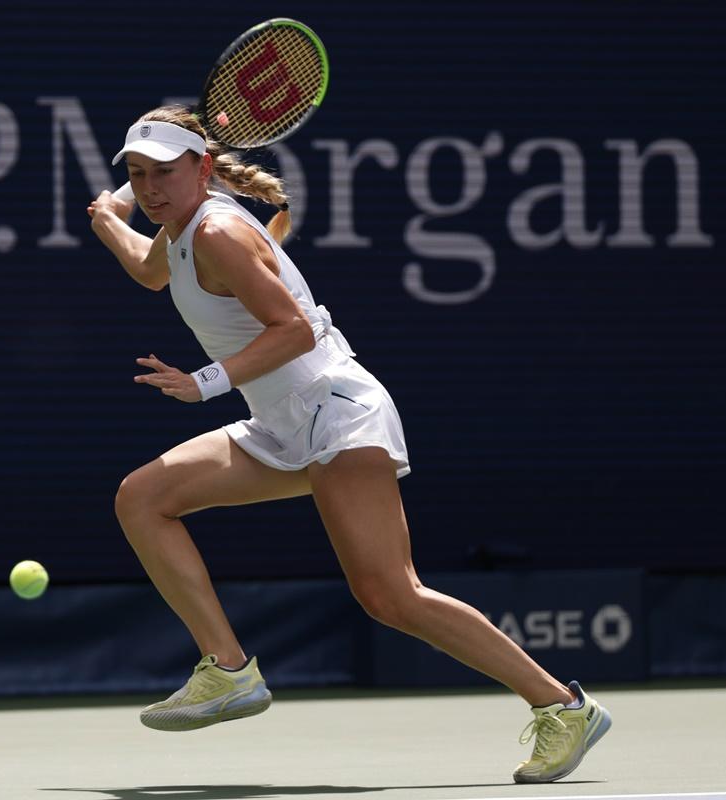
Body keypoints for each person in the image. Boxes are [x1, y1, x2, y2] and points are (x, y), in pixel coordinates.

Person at [86, 105, 611, 783]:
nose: (150, 188)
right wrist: (110, 222)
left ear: (203, 168)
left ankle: (564, 707)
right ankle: (229, 669)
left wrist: (204, 382)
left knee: (392, 595)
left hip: (334, 413)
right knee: (143, 498)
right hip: (280, 423)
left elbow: (295, 330)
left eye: (163, 172)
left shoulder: (216, 231)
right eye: (137, 174)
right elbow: (151, 270)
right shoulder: (184, 228)